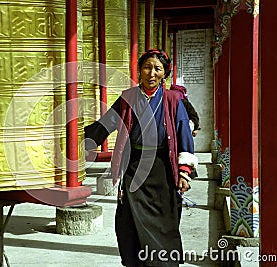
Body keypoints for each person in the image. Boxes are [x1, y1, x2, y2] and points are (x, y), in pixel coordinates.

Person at [84, 49, 198, 266]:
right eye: (147, 67)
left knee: (163, 224)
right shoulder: (128, 98)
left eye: (157, 68)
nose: (151, 73)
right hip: (134, 168)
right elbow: (107, 123)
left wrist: (185, 172)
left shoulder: (173, 100)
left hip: (163, 169)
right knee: (128, 222)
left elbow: (184, 134)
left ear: (165, 73)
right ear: (139, 70)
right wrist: (80, 140)